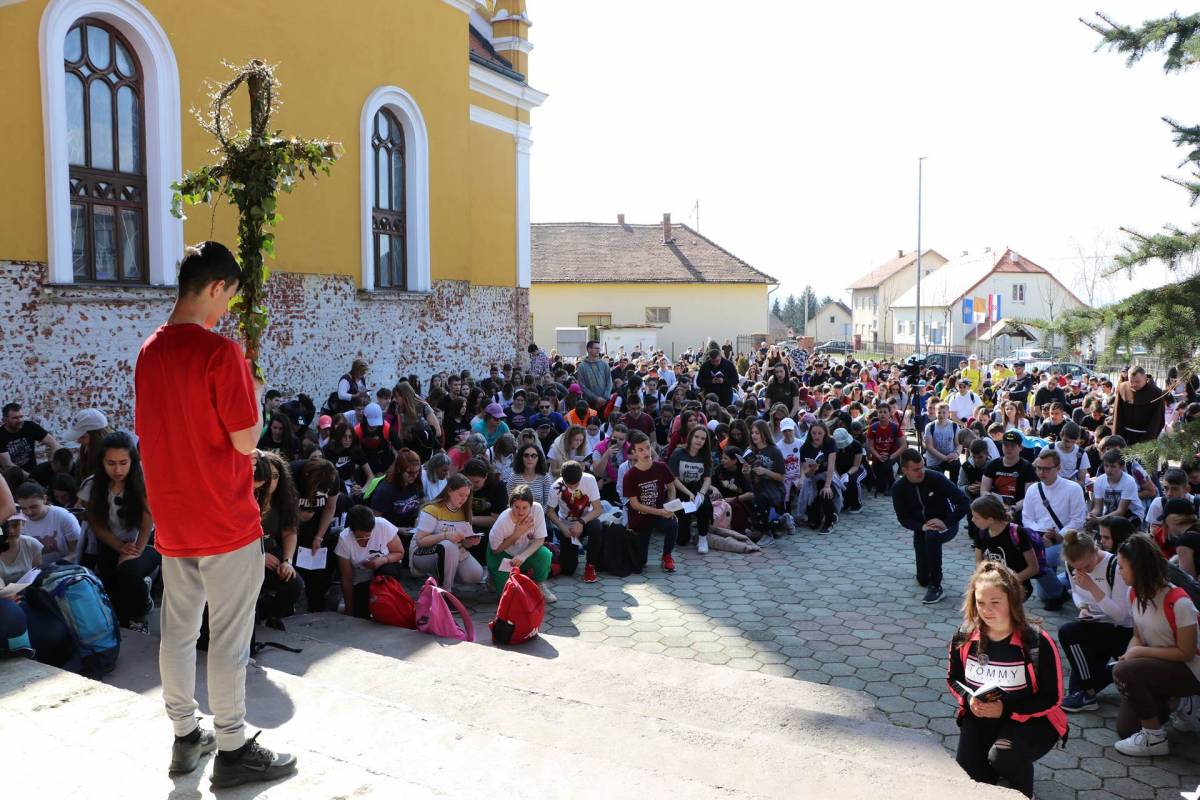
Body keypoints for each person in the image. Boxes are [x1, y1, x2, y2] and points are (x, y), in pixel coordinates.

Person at [135, 241, 296, 785]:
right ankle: (231, 747)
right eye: (229, 295)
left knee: (177, 633)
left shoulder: (149, 351)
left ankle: (185, 737)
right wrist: (255, 391)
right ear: (215, 287)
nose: (227, 307)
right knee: (228, 639)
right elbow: (247, 441)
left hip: (175, 519)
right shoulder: (219, 353)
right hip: (225, 520)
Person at [947, 561, 1068, 798]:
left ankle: (1023, 793)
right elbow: (953, 679)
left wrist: (1005, 709)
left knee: (1003, 755)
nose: (986, 610)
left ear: (1012, 601)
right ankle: (999, 780)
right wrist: (968, 700)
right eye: (980, 602)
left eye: (995, 603)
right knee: (970, 776)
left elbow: (1053, 697)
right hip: (980, 717)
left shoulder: (1036, 641)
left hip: (1032, 720)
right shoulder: (964, 634)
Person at [1111, 534, 1200, 756]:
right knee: (1126, 729)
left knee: (1125, 671)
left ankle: (1154, 739)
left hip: (1190, 670)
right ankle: (1174, 703)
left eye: (1122, 567)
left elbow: (1186, 652)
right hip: (1157, 666)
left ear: (1139, 568)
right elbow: (1138, 635)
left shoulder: (1179, 602)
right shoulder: (1134, 593)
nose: (1119, 572)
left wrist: (1137, 654)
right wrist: (1131, 652)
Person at [80, 431, 159, 629]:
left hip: (146, 542)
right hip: (109, 543)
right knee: (111, 588)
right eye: (111, 463)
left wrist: (135, 550)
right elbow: (96, 523)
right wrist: (118, 546)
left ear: (132, 461)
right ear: (102, 462)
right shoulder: (91, 486)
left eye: (123, 463)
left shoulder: (143, 482)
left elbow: (148, 519)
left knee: (128, 570)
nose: (117, 469)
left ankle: (141, 613)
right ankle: (124, 622)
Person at [1057, 529, 1133, 712]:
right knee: (1076, 689)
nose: (1082, 571)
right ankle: (1094, 684)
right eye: (1077, 567)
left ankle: (1089, 691)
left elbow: (1121, 616)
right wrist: (1082, 608)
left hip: (1120, 630)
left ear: (1094, 550)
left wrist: (1092, 587)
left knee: (1067, 632)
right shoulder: (1072, 565)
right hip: (1094, 624)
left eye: (1087, 566)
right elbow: (1076, 592)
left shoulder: (1114, 566)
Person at [892, 448, 971, 604]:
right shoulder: (899, 488)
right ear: (904, 470)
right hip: (922, 527)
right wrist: (921, 527)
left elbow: (964, 502)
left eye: (922, 466)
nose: (921, 471)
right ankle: (928, 578)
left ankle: (936, 586)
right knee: (922, 579)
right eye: (915, 469)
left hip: (946, 522)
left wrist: (946, 522)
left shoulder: (936, 478)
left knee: (932, 537)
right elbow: (903, 519)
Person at [409, 474, 486, 593]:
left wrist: (470, 541)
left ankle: (440, 577)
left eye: (466, 496)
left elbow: (465, 544)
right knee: (449, 546)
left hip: (454, 551)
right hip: (422, 554)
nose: (463, 499)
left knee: (475, 575)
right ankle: (445, 592)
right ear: (449, 490)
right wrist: (445, 536)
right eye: (460, 495)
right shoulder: (432, 509)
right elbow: (420, 541)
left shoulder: (465, 511)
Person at [252, 451, 302, 626]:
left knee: (294, 585)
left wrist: (287, 561)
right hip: (247, 557)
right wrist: (259, 557)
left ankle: (270, 613)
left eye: (275, 476)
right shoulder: (247, 498)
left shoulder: (283, 500)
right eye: (267, 475)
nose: (271, 480)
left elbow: (289, 532)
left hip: (272, 552)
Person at [487, 484, 556, 602]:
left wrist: (523, 556)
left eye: (525, 507)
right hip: (502, 555)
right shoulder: (503, 520)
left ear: (531, 505)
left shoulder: (537, 509)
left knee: (544, 554)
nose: (520, 512)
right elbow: (496, 550)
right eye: (516, 507)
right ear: (510, 505)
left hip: (523, 552)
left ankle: (540, 585)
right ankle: (492, 576)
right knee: (508, 598)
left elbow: (540, 539)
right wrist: (517, 534)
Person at [622, 431, 679, 573]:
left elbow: (671, 487)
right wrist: (660, 511)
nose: (646, 452)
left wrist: (670, 506)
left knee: (672, 524)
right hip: (640, 518)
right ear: (634, 452)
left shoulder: (661, 467)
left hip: (659, 513)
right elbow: (634, 504)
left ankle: (667, 556)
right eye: (641, 450)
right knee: (639, 565)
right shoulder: (630, 475)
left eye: (647, 447)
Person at [335, 505, 405, 619]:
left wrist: (382, 560)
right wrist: (349, 608)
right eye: (360, 537)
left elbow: (399, 552)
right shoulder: (345, 539)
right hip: (361, 577)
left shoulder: (382, 525)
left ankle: (391, 603)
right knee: (360, 614)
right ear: (352, 531)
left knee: (386, 571)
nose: (365, 540)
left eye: (368, 536)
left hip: (385, 569)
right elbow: (346, 578)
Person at [971, 495, 1041, 599]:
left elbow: (1033, 568)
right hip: (992, 585)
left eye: (976, 517)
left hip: (1017, 586)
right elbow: (979, 563)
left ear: (990, 519)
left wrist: (1005, 583)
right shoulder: (982, 531)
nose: (972, 520)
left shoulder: (1017, 533)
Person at [546, 460, 603, 580]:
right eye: (569, 485)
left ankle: (590, 566)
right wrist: (563, 527)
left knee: (596, 526)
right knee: (568, 569)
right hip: (567, 527)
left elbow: (598, 509)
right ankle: (564, 553)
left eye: (576, 484)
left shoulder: (590, 480)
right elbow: (550, 512)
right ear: (562, 477)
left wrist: (582, 522)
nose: (572, 487)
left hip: (586, 521)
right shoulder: (555, 487)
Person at [668, 425, 715, 553]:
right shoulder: (678, 453)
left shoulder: (705, 455)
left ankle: (702, 538)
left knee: (704, 505)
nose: (699, 440)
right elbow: (673, 479)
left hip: (696, 488)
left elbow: (707, 479)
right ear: (690, 437)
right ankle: (687, 529)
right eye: (696, 437)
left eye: (703, 438)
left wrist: (701, 494)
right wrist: (689, 493)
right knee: (682, 540)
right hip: (680, 489)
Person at [14, 480, 80, 565]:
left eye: (33, 507)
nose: (28, 512)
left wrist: (54, 566)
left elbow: (76, 551)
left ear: (44, 499)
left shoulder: (63, 516)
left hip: (64, 569)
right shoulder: (18, 521)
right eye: (24, 508)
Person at [1088, 449, 1146, 530]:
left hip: (1131, 514)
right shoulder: (1099, 481)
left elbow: (1121, 511)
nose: (1108, 470)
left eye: (1112, 466)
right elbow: (1098, 508)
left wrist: (1100, 519)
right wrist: (1091, 516)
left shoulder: (1129, 481)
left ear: (1121, 467)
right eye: (1106, 466)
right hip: (1111, 512)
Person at [370, 449, 425, 531]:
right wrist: (397, 530)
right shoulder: (385, 490)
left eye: (417, 472)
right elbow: (375, 520)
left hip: (412, 528)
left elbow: (422, 502)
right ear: (399, 469)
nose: (414, 476)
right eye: (410, 472)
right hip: (390, 533)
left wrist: (419, 517)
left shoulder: (416, 482)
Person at [0, 403, 61, 475]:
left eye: (21, 416)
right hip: (12, 478)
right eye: (15, 418)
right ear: (5, 420)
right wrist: (30, 477)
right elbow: (7, 464)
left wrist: (52, 462)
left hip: (33, 471)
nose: (20, 420)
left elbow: (55, 444)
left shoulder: (30, 426)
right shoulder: (1, 435)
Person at [1112, 366, 1166, 445]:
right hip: (1124, 436)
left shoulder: (1156, 393)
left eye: (1137, 382)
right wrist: (1117, 437)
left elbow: (1157, 420)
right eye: (1131, 381)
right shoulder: (1122, 388)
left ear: (1145, 378)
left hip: (1145, 437)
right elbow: (1117, 414)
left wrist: (1148, 441)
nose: (1133, 384)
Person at [865, 402, 903, 496]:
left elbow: (903, 445)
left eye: (885, 412)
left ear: (890, 414)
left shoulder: (895, 427)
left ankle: (892, 486)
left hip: (892, 456)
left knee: (887, 464)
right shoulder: (873, 428)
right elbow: (870, 446)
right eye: (880, 412)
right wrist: (878, 456)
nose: (882, 414)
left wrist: (891, 456)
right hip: (877, 457)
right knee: (880, 487)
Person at [0, 512, 41, 583]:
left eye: (15, 525)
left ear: (23, 523)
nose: (11, 531)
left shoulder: (32, 544)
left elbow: (37, 574)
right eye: (4, 526)